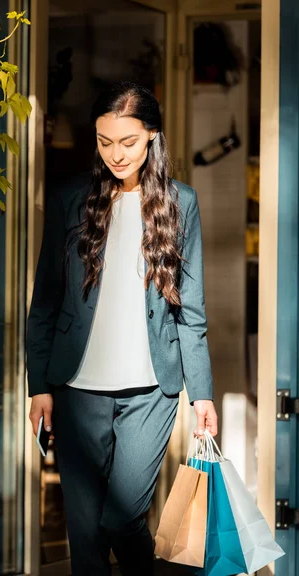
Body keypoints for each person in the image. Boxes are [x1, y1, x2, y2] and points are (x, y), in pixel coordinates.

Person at [27, 81, 218, 576]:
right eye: (104, 141)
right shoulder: (71, 198)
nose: (115, 153)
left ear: (152, 136)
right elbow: (45, 299)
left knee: (122, 517)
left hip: (151, 389)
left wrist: (203, 395)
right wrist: (39, 386)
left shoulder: (181, 203)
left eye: (128, 141)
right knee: (85, 532)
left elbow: (190, 309)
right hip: (76, 387)